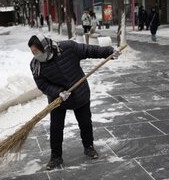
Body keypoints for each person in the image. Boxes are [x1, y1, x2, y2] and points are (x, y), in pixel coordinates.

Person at [28, 34, 120, 170]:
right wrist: (58, 92)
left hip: (79, 93)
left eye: (36, 51)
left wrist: (109, 52)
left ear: (45, 47)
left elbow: (89, 50)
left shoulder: (68, 48)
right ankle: (56, 157)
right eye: (32, 52)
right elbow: (42, 85)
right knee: (56, 128)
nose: (35, 55)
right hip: (58, 99)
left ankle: (89, 147)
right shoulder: (36, 65)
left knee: (85, 122)